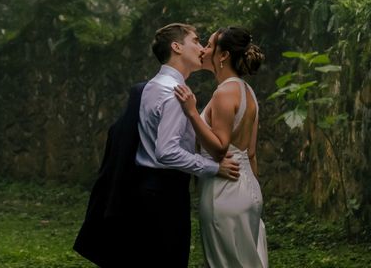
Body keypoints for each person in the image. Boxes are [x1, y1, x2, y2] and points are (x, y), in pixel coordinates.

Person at [74, 23, 240, 268]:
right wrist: (213, 167)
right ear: (176, 47)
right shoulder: (175, 94)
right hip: (165, 194)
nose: (201, 47)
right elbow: (167, 151)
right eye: (195, 41)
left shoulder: (150, 87)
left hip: (145, 190)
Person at [174, 26, 268, 268]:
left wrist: (192, 112)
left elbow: (219, 148)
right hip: (249, 189)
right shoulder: (248, 91)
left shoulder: (224, 92)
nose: (203, 50)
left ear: (223, 55)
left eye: (209, 45)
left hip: (225, 191)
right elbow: (251, 153)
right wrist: (254, 194)